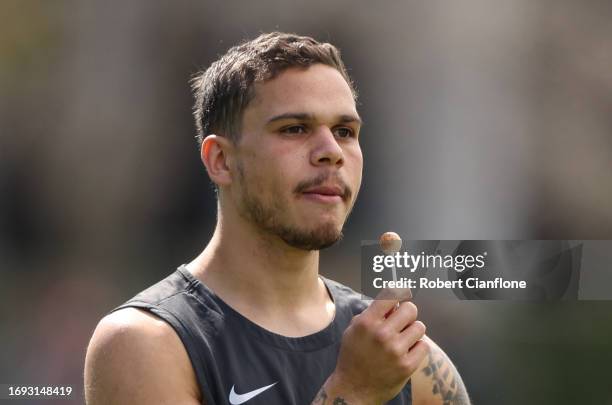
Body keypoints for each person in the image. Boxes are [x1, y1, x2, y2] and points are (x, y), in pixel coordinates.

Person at [84, 32, 470, 405]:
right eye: (295, 129)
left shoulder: (409, 362)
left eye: (345, 131)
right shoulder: (146, 343)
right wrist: (353, 393)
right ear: (220, 160)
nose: (331, 151)